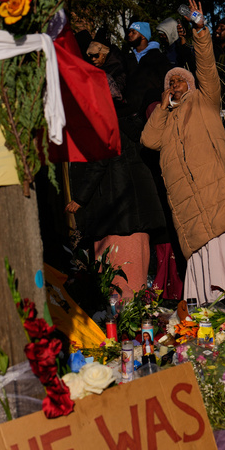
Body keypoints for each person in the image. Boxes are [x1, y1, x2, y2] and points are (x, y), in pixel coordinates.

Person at [141, 0, 225, 305]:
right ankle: (208, 299)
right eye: (170, 81)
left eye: (180, 79)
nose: (175, 83)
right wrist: (162, 107)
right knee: (200, 247)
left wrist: (200, 31)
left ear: (190, 83)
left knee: (220, 236)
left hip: (211, 187)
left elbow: (207, 67)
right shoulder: (165, 116)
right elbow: (149, 140)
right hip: (186, 199)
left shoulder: (205, 100)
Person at [66, 88, 166, 300]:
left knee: (117, 277)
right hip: (132, 217)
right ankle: (138, 320)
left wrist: (79, 199)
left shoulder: (103, 125)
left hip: (116, 216)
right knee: (134, 276)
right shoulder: (126, 123)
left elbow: (98, 165)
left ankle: (123, 322)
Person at [123, 21, 171, 118]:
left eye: (133, 32)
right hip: (130, 112)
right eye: (129, 32)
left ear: (143, 36)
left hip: (152, 111)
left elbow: (166, 81)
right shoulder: (127, 58)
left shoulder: (158, 57)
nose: (129, 35)